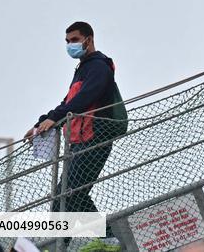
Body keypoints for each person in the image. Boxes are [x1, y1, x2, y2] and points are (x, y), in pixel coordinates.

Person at [24, 21, 128, 252]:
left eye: (74, 40)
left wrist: (55, 117)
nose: (70, 45)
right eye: (67, 42)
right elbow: (68, 102)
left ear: (88, 39)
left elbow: (84, 98)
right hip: (78, 140)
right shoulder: (82, 68)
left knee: (69, 194)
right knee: (71, 193)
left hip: (95, 138)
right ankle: (107, 239)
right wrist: (42, 122)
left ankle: (59, 245)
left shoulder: (99, 66)